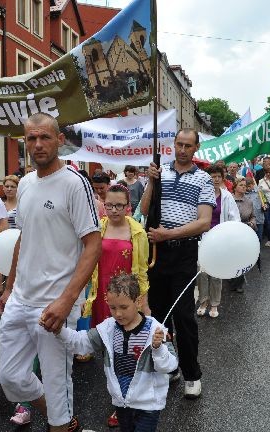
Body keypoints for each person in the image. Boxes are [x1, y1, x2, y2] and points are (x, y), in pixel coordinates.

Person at [0, 113, 101, 432]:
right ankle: (63, 418)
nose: (38, 144)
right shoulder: (26, 184)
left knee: (57, 389)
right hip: (20, 299)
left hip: (54, 305)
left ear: (59, 140)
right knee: (11, 377)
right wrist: (9, 287)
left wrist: (66, 300)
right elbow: (22, 240)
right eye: (31, 138)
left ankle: (60, 418)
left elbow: (93, 245)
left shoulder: (75, 182)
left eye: (45, 137)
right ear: (24, 143)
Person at [139, 128, 215, 399]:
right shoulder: (160, 172)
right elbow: (145, 210)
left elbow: (204, 221)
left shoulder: (204, 179)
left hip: (183, 252)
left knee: (183, 315)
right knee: (157, 315)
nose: (182, 149)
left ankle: (192, 374)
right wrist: (150, 182)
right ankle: (167, 366)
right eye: (179, 144)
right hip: (157, 252)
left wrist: (168, 234)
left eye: (188, 145)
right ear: (174, 145)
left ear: (196, 148)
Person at [54, 273, 177, 432]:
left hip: (149, 405)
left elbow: (171, 365)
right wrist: (59, 331)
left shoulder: (156, 331)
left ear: (138, 302)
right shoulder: (108, 329)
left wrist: (158, 348)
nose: (118, 313)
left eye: (123, 307)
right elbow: (82, 342)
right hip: (121, 402)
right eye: (113, 308)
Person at [81, 184, 149, 427]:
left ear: (128, 206)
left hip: (127, 302)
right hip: (102, 298)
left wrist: (144, 305)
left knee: (125, 351)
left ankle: (122, 402)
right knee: (107, 349)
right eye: (109, 205)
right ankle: (117, 393)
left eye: (119, 205)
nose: (113, 209)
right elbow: (87, 261)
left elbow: (141, 273)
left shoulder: (137, 232)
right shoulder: (98, 228)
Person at [197, 165, 240, 316]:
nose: (215, 179)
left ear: (222, 178)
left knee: (216, 273)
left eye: (218, 176)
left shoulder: (226, 196)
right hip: (202, 238)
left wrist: (230, 238)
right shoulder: (199, 194)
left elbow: (235, 218)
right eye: (212, 176)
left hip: (219, 240)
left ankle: (214, 304)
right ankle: (203, 301)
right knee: (201, 272)